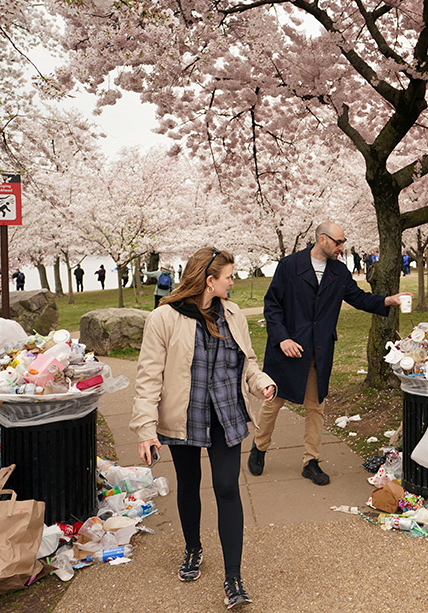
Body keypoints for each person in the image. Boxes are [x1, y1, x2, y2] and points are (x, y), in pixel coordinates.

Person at [131, 247, 275, 608]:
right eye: (228, 276)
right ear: (209, 280)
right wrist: (146, 429)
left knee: (228, 488)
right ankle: (193, 548)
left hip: (226, 414)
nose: (233, 281)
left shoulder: (233, 314)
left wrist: (262, 383)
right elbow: (149, 378)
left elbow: (248, 362)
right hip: (185, 415)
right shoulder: (164, 318)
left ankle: (234, 578)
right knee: (189, 483)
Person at [248, 221, 409, 486]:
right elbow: (272, 306)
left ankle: (311, 462)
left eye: (343, 242)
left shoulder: (340, 272)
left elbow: (358, 298)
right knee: (273, 403)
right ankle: (259, 447)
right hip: (287, 350)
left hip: (319, 351)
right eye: (338, 242)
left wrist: (387, 301)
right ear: (322, 240)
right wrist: (283, 339)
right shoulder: (290, 266)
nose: (342, 247)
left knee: (316, 406)